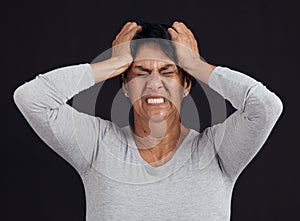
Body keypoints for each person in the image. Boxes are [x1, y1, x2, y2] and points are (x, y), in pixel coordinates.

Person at [13, 21, 283, 220]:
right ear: (125, 85)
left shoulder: (217, 151)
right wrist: (113, 62)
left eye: (168, 72)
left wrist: (196, 64)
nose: (155, 83)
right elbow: (32, 99)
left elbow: (266, 107)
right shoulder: (97, 146)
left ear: (186, 84)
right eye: (141, 72)